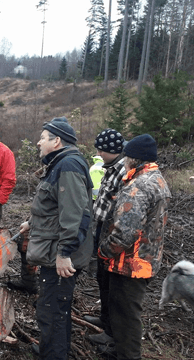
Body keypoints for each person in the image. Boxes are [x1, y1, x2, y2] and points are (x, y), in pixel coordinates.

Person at [20, 117, 93, 359]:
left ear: (57, 140)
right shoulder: (60, 164)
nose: (38, 142)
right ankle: (49, 348)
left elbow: (74, 214)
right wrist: (32, 223)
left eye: (42, 138)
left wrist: (64, 254)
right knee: (51, 308)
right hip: (53, 250)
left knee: (53, 310)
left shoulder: (68, 166)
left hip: (59, 255)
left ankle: (53, 354)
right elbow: (54, 206)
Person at [97, 134, 171, 360]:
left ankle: (128, 355)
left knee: (126, 316)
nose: (124, 159)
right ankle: (120, 351)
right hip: (145, 259)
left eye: (127, 155)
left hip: (130, 263)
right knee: (124, 313)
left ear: (135, 159)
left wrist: (103, 251)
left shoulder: (138, 187)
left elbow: (124, 233)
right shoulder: (156, 179)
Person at [82, 129, 128, 349]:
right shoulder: (108, 167)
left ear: (113, 150)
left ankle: (111, 331)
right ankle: (104, 318)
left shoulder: (123, 170)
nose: (98, 152)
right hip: (101, 226)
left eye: (101, 149)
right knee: (101, 277)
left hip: (112, 230)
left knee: (110, 280)